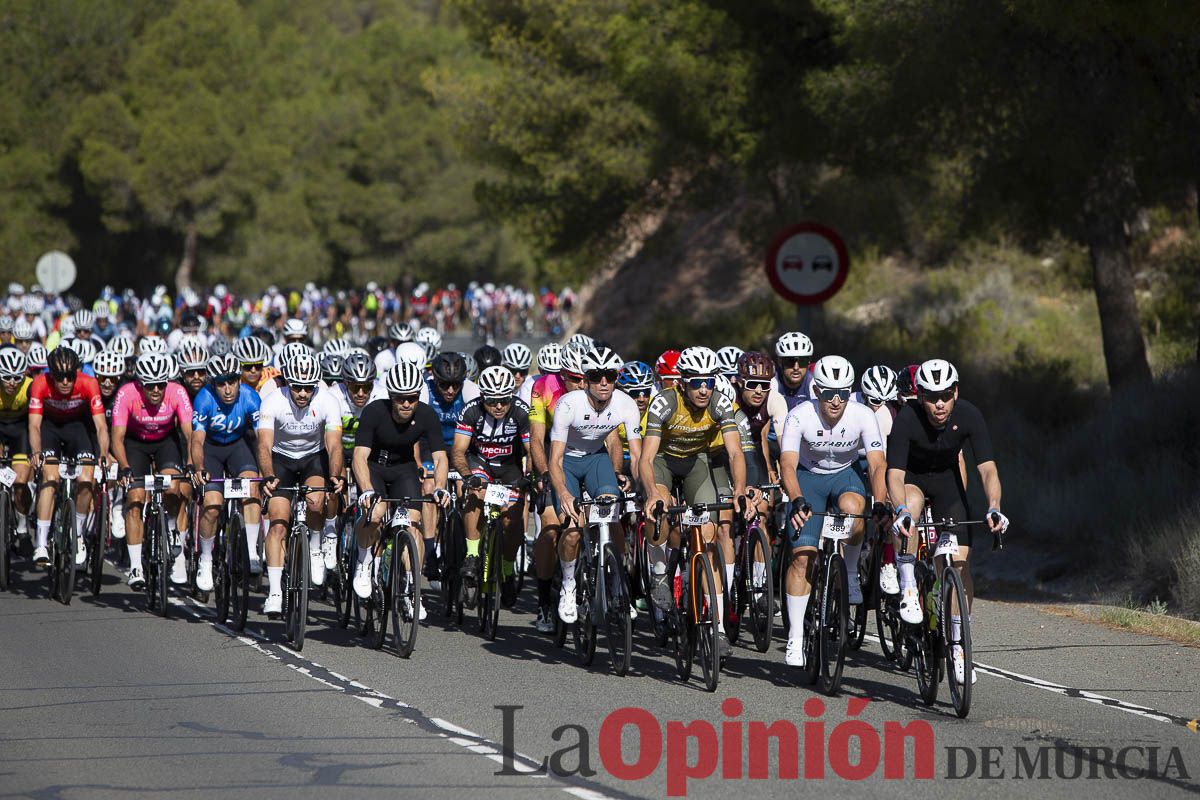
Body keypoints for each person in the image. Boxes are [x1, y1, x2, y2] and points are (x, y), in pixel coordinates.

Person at [886, 358, 1009, 685]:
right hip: (912, 480)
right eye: (930, 396)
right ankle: (909, 583)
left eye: (945, 395)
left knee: (958, 564)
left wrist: (994, 506)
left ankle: (958, 646)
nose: (939, 404)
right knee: (909, 507)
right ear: (920, 396)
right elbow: (894, 474)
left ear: (956, 392)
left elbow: (987, 469)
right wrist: (899, 510)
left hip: (947, 485)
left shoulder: (969, 414)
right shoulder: (907, 420)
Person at [638, 346, 751, 659]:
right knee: (659, 510)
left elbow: (735, 452)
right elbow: (646, 458)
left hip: (695, 464)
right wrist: (651, 493)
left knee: (709, 537)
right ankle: (660, 572)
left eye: (709, 382)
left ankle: (716, 626)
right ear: (681, 383)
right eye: (696, 382)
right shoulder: (664, 402)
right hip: (662, 461)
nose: (704, 388)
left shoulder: (719, 402)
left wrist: (739, 489)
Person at [779, 356, 887, 667]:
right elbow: (787, 464)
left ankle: (850, 573)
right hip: (807, 478)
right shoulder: (799, 416)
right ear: (817, 391)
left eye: (842, 392)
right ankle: (796, 636)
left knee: (855, 509)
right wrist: (797, 498)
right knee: (802, 558)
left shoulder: (863, 415)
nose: (836, 400)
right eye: (828, 393)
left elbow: (878, 464)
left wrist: (879, 500)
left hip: (844, 475)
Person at [548, 346, 643, 623]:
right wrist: (564, 493)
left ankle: (617, 585)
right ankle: (568, 584)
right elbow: (554, 460)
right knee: (574, 529)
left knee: (612, 516)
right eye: (596, 376)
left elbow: (636, 456)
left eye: (610, 376)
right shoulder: (568, 404)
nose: (603, 382)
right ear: (586, 379)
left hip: (597, 460)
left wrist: (639, 484)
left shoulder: (625, 404)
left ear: (616, 378)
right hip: (567, 461)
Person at [351, 362, 450, 618]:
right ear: (391, 397)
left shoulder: (426, 415)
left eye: (412, 398)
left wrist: (440, 487)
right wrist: (365, 490)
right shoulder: (374, 412)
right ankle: (364, 561)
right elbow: (359, 457)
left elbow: (440, 457)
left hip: (404, 469)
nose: (407, 404)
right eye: (401, 399)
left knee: (412, 525)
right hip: (374, 467)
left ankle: (410, 588)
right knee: (375, 513)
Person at [257, 352, 344, 615]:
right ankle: (274, 592)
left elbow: (334, 444)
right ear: (287, 383)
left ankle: (315, 547)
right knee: (279, 522)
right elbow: (264, 444)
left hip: (312, 458)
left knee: (317, 501)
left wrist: (336, 474)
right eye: (297, 387)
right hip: (281, 459)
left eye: (308, 388)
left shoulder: (328, 401)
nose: (303, 393)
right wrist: (268, 475)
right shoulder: (273, 401)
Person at [451, 366, 532, 609]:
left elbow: (532, 451)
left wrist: (531, 475)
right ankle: (473, 554)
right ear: (482, 397)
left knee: (513, 519)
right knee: (474, 493)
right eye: (492, 401)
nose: (498, 406)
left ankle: (507, 571)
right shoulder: (471, 410)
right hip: (480, 463)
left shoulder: (521, 412)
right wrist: (467, 476)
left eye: (504, 400)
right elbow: (458, 451)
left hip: (509, 467)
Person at [111, 353, 194, 587]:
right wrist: (125, 467)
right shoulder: (127, 393)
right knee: (136, 498)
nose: (156, 390)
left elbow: (188, 433)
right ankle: (136, 566)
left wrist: (189, 462)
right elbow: (117, 438)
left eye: (160, 384)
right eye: (150, 386)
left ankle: (170, 530)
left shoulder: (176, 391)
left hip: (165, 443)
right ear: (140, 384)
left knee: (172, 488)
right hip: (135, 443)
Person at [28, 347, 108, 570]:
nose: (65, 381)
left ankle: (78, 533)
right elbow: (34, 426)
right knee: (50, 476)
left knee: (86, 478)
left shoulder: (88, 383)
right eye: (59, 376)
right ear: (50, 373)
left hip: (77, 428)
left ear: (77, 372)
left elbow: (101, 426)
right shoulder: (40, 384)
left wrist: (102, 454)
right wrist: (36, 453)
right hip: (49, 427)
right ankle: (42, 543)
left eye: (70, 376)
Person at [190, 353, 263, 592]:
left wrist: (266, 469)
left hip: (237, 447)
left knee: (252, 487)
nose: (228, 389)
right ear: (214, 384)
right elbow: (197, 441)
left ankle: (252, 552)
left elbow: (262, 439)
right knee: (212, 505)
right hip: (210, 450)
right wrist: (199, 468)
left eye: (232, 381)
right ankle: (206, 559)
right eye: (222, 383)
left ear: (239, 380)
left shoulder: (251, 398)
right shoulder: (204, 399)